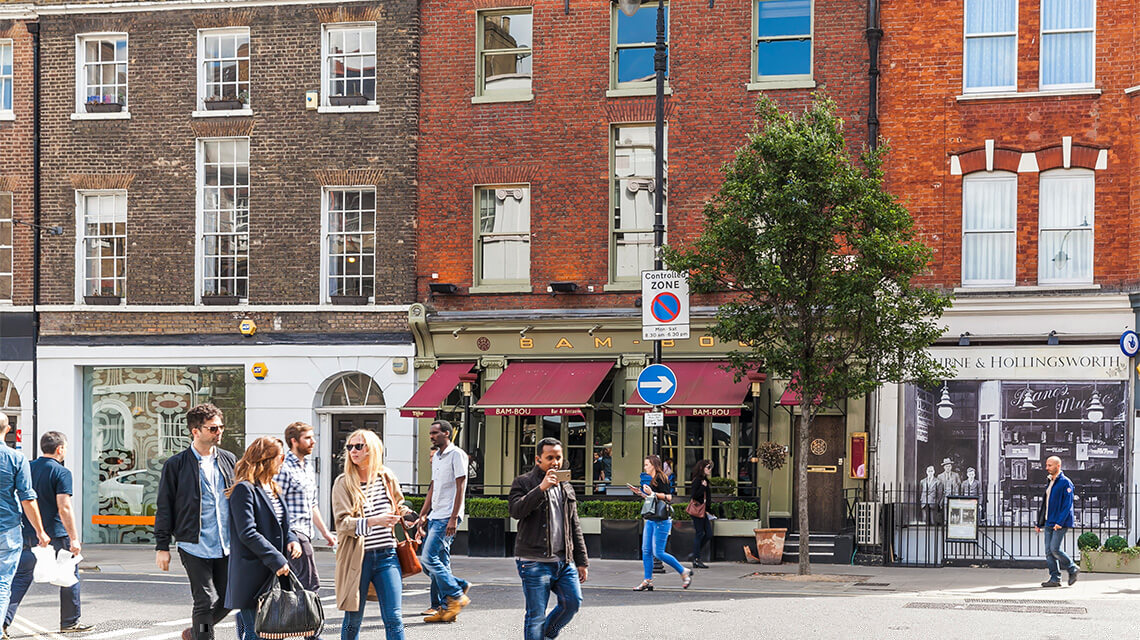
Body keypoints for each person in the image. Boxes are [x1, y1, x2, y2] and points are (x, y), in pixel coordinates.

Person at [154, 403, 237, 640]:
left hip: (226, 544)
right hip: (194, 544)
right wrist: (162, 546)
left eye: (221, 427)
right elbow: (165, 507)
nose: (219, 432)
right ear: (195, 431)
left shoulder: (229, 459)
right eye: (213, 428)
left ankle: (197, 632)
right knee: (205, 600)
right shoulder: (176, 465)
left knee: (230, 598)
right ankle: (203, 635)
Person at [332, 430, 415, 640]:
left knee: (394, 618)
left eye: (358, 446)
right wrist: (374, 520)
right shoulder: (343, 483)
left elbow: (399, 505)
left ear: (372, 448)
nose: (353, 451)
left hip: (388, 556)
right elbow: (342, 524)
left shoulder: (386, 477)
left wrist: (407, 516)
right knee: (353, 620)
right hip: (357, 559)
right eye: (350, 447)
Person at [5, 432, 91, 634]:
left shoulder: (27, 466)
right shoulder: (61, 472)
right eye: (66, 448)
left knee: (20, 578)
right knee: (69, 575)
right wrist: (74, 538)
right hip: (56, 535)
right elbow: (65, 508)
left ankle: (3, 623)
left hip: (28, 531)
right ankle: (70, 622)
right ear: (60, 449)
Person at [508, 437, 587, 640]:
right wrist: (541, 488)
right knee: (536, 615)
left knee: (573, 602)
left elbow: (574, 524)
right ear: (538, 459)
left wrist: (582, 561)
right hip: (534, 561)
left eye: (558, 457)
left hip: (564, 560)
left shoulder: (565, 485)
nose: (555, 462)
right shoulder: (523, 482)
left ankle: (546, 635)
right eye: (549, 457)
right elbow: (516, 511)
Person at [224, 437, 301, 640]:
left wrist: (292, 539)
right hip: (252, 573)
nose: (283, 461)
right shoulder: (244, 489)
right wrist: (276, 559)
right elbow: (247, 532)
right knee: (256, 633)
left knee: (274, 632)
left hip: (274, 573)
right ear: (266, 459)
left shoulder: (273, 487)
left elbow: (282, 525)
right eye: (281, 457)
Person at [274, 421, 337, 636]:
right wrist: (287, 536)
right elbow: (274, 503)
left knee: (287, 589)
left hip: (305, 534)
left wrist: (326, 532)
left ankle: (273, 629)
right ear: (294, 441)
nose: (313, 441)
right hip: (292, 536)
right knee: (309, 587)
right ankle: (312, 633)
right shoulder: (284, 467)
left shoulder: (307, 467)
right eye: (308, 438)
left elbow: (311, 505)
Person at [0, 412, 50, 640]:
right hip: (7, 529)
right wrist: (40, 531)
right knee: (2, 584)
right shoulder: (16, 458)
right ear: (7, 429)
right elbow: (27, 498)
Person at [415, 420, 471, 623]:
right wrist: (423, 514)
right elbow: (433, 487)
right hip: (435, 515)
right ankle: (447, 608)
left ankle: (456, 593)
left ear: (447, 433)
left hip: (447, 516)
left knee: (428, 559)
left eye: (435, 433)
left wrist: (454, 518)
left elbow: (460, 487)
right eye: (430, 433)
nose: (431, 436)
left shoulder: (457, 455)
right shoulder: (437, 457)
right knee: (440, 563)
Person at [630, 455, 691, 591]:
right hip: (652, 518)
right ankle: (647, 580)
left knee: (658, 552)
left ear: (653, 465)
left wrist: (652, 493)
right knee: (646, 550)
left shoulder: (661, 478)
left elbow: (668, 497)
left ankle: (683, 571)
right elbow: (652, 498)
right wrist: (640, 493)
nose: (645, 467)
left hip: (662, 520)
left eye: (646, 465)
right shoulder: (651, 479)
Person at [1035, 456, 1078, 587]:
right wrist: (1039, 523)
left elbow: (1067, 505)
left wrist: (1060, 522)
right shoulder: (1050, 481)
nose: (1046, 468)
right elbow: (1045, 504)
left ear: (1058, 466)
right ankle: (1055, 578)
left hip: (1060, 523)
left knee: (1054, 549)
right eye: (1047, 465)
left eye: (1050, 465)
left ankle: (1072, 568)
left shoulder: (1066, 482)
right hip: (1049, 521)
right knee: (1048, 552)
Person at [688, 459, 713, 569]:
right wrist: (703, 487)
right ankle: (696, 559)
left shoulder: (704, 480)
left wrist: (708, 510)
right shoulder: (698, 480)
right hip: (697, 511)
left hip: (703, 511)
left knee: (708, 534)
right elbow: (694, 495)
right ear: (702, 468)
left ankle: (695, 554)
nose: (710, 470)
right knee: (700, 533)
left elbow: (707, 497)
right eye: (708, 467)